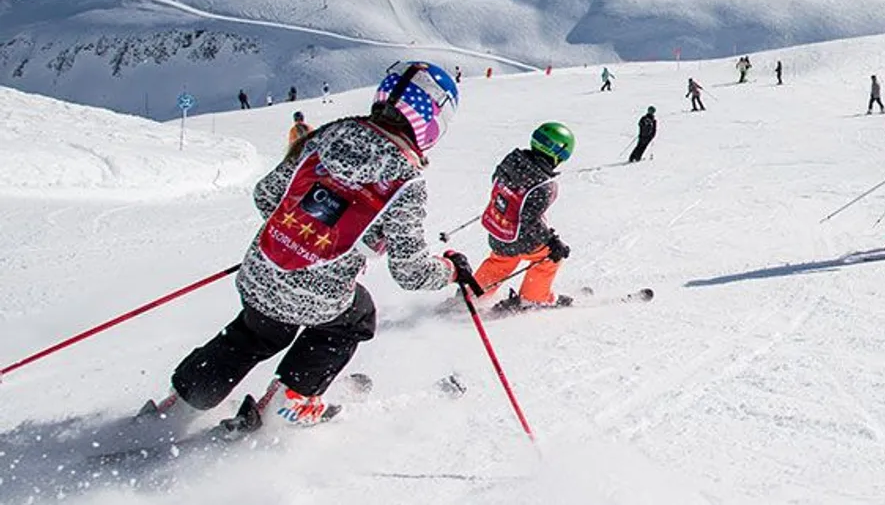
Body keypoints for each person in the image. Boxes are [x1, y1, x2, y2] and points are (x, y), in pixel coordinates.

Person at [153, 60, 480, 430]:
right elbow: (410, 271)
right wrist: (452, 269)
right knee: (356, 317)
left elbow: (267, 195)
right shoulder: (405, 178)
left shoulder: (332, 133)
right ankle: (291, 399)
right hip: (318, 294)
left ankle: (184, 400)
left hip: (263, 269)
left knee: (257, 330)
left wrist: (302, 234)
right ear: (434, 120)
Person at [471, 123, 575, 311]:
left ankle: (471, 296)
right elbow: (529, 222)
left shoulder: (512, 161)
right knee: (550, 258)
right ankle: (533, 298)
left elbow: (498, 181)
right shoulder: (544, 186)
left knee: (501, 260)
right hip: (517, 237)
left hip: (497, 230)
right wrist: (552, 242)